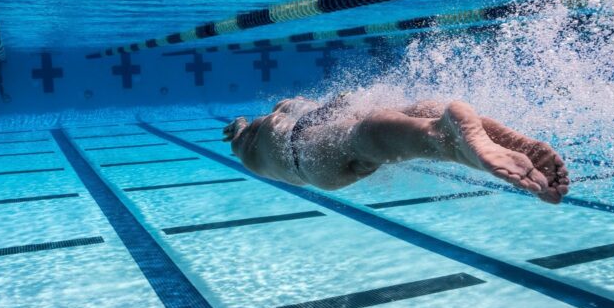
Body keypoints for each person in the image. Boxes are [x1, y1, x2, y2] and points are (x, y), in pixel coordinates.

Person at [224, 95, 569, 203]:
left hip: (308, 160)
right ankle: (445, 130)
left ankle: (449, 138)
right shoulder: (268, 125)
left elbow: (240, 131)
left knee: (364, 136)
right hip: (312, 135)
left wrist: (238, 127)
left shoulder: (252, 150)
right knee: (386, 121)